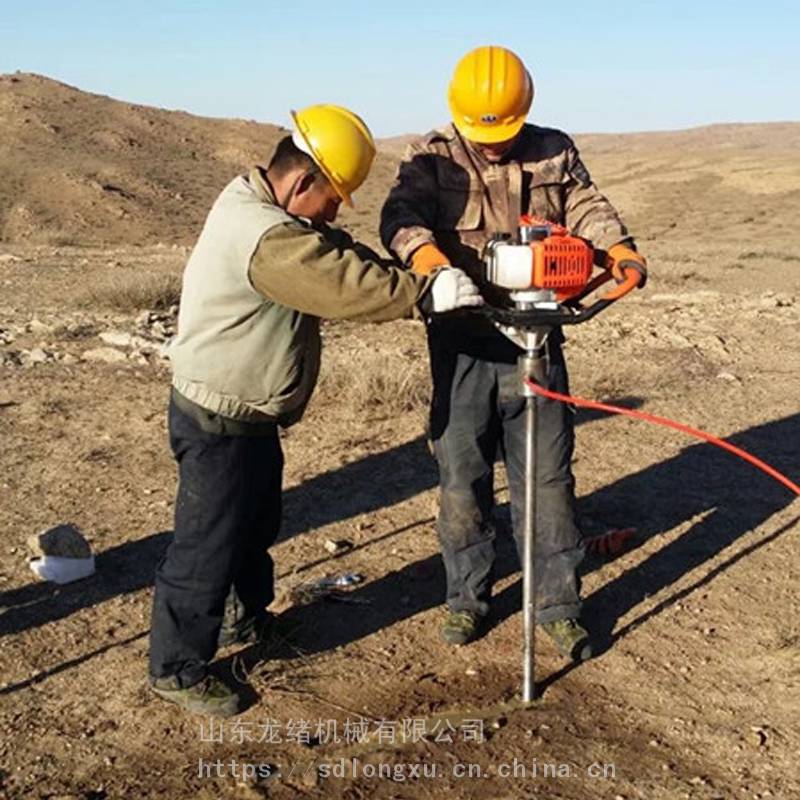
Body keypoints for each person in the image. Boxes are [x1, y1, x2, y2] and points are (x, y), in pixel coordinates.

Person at [148, 104, 482, 717]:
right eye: (333, 198)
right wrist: (425, 292)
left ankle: (243, 624)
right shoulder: (268, 238)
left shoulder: (262, 201)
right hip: (218, 415)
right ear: (301, 183)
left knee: (252, 526)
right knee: (206, 543)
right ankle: (177, 667)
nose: (334, 212)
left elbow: (330, 246)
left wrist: (412, 265)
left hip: (246, 412)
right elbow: (340, 284)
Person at [380, 46, 647, 657]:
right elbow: (399, 216)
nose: (494, 143)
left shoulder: (553, 148)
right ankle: (467, 600)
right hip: (464, 342)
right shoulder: (433, 155)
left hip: (537, 336)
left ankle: (557, 605)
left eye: (504, 129)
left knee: (548, 480)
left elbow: (586, 207)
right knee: (461, 479)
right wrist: (431, 264)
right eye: (483, 131)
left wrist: (620, 250)